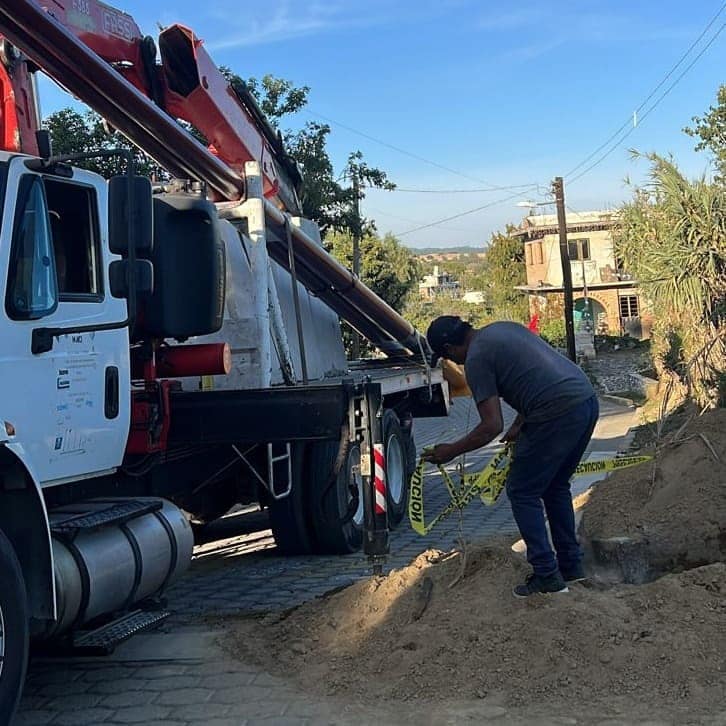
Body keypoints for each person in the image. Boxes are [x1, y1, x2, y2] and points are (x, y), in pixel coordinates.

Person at [423, 315, 598, 598]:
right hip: (585, 401)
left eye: (447, 357)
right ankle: (571, 567)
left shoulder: (477, 359)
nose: (453, 363)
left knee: (522, 491)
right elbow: (537, 375)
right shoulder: (504, 329)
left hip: (556, 413)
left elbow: (491, 426)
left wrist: (450, 451)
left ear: (450, 347)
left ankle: (546, 575)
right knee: (555, 487)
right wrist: (519, 423)